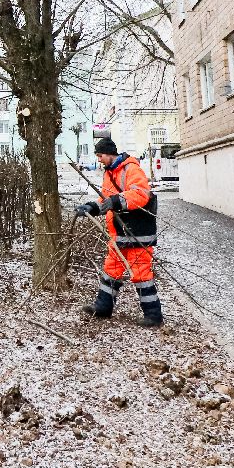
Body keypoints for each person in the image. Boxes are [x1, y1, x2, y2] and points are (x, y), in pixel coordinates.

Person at [75, 135, 162, 327]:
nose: (99, 160)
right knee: (111, 269)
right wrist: (91, 207)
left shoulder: (131, 168)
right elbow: (106, 200)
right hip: (120, 232)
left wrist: (115, 201)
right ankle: (103, 307)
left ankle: (154, 316)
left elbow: (141, 194)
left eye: (100, 156)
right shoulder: (109, 173)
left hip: (138, 232)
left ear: (109, 154)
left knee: (141, 273)